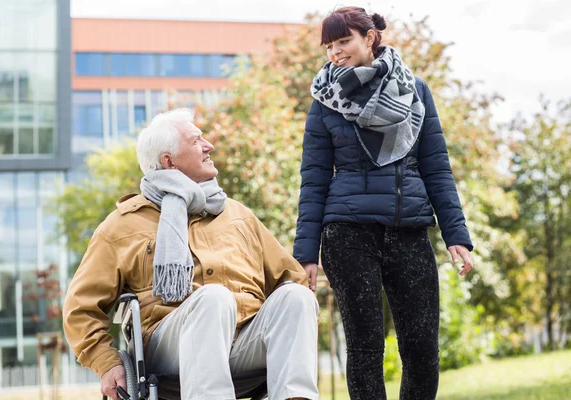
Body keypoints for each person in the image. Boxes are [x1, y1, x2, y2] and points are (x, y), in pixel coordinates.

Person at [63, 108, 320, 400]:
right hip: (170, 346)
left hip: (246, 340)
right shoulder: (122, 226)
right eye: (196, 141)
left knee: (296, 296)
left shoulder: (236, 214)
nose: (208, 146)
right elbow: (80, 309)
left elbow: (293, 279)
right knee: (213, 297)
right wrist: (106, 364)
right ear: (169, 161)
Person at [293, 6, 474, 400]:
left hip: (408, 230)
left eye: (344, 41)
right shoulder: (325, 100)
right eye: (329, 46)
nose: (335, 53)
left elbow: (436, 167)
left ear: (370, 38)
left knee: (423, 349)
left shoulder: (414, 91)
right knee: (365, 348)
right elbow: (314, 178)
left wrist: (455, 234)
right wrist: (305, 253)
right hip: (347, 234)